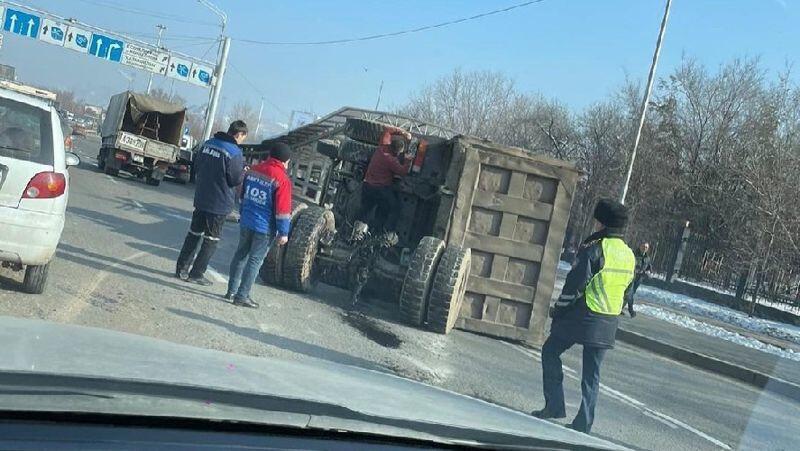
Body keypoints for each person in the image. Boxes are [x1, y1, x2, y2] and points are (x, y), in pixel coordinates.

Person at [532, 199, 636, 434]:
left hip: (584, 315)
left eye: (597, 219)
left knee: (550, 351)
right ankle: (584, 422)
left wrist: (559, 310)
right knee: (592, 374)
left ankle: (554, 406)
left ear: (602, 223)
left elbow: (575, 286)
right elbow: (628, 290)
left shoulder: (595, 249)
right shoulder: (629, 254)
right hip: (608, 321)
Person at [175, 121, 247, 285]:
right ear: (239, 135)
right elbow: (235, 179)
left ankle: (181, 269)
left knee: (193, 234)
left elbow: (197, 166)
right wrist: (243, 171)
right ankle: (197, 274)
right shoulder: (234, 152)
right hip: (219, 203)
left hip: (201, 197)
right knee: (211, 239)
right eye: (243, 137)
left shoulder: (208, 144)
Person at [225, 143, 292, 308]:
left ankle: (231, 291)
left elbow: (242, 195)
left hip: (246, 221)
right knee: (255, 261)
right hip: (264, 227)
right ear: (285, 161)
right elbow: (282, 210)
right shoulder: (282, 179)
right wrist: (283, 233)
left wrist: (243, 212)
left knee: (240, 255)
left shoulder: (253, 170)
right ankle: (242, 295)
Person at [355, 132, 413, 238]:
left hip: (367, 186)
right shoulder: (391, 160)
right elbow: (402, 171)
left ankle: (356, 234)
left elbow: (387, 131)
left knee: (365, 211)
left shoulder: (381, 149)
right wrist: (408, 159)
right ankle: (384, 234)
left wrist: (403, 133)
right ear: (397, 151)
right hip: (380, 190)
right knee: (394, 207)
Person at [625, 242, 652, 317]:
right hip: (631, 276)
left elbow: (649, 267)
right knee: (629, 293)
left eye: (646, 247)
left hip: (639, 278)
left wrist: (648, 272)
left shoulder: (647, 258)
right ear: (640, 246)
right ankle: (631, 311)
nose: (644, 248)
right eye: (643, 246)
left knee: (631, 293)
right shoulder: (633, 254)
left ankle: (620, 308)